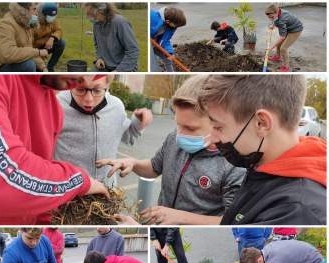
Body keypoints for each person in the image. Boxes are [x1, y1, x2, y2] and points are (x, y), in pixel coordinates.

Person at [97, 75, 245, 225]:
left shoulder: (235, 164)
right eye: (178, 125)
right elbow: (155, 167)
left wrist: (180, 217)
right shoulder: (174, 138)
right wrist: (133, 163)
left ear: (218, 124)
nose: (179, 134)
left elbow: (232, 221)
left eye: (190, 128)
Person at [0, 74, 110, 225]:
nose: (84, 79)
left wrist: (46, 221)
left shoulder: (54, 109)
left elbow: (41, 178)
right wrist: (80, 182)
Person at [198, 75, 326, 225]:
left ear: (261, 123)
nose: (212, 138)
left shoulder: (294, 211)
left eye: (218, 127)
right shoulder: (264, 167)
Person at [54, 75, 153, 187]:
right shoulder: (57, 105)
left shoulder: (116, 106)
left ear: (107, 85)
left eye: (97, 90)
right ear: (70, 83)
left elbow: (128, 136)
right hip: (70, 192)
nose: (89, 99)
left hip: (107, 190)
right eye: (80, 89)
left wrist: (138, 122)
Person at [0, 3, 49, 72]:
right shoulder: (6, 24)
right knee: (28, 65)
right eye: (34, 9)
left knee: (37, 68)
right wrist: (38, 52)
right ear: (24, 10)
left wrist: (43, 67)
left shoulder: (26, 25)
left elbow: (28, 52)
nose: (37, 13)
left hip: (8, 64)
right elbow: (8, 55)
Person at [84, 3, 139, 72]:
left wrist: (118, 70)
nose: (89, 17)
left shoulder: (120, 22)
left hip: (124, 67)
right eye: (88, 14)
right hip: (105, 66)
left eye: (91, 14)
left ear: (101, 11)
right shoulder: (96, 24)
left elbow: (133, 51)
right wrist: (99, 58)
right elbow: (97, 45)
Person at [265, 4, 303, 72]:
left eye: (271, 17)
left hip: (295, 30)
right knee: (279, 44)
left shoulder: (282, 20)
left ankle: (286, 67)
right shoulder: (278, 11)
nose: (270, 18)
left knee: (283, 48)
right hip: (289, 27)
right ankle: (277, 56)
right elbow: (275, 19)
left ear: (276, 12)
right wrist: (273, 25)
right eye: (269, 17)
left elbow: (282, 37)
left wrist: (271, 48)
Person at [150, 7, 186, 72]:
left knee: (168, 58)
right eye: (176, 25)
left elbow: (166, 40)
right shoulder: (152, 16)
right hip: (149, 44)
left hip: (157, 45)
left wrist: (169, 52)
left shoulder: (172, 27)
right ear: (168, 21)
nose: (177, 27)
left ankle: (171, 72)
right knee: (153, 66)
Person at [33, 3, 65, 72]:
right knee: (38, 70)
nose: (52, 18)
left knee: (61, 43)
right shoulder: (34, 22)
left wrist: (52, 38)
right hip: (34, 49)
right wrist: (46, 40)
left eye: (53, 16)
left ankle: (50, 67)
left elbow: (59, 30)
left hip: (47, 46)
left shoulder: (52, 20)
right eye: (49, 16)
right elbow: (31, 42)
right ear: (43, 14)